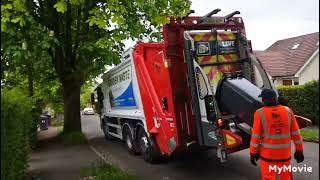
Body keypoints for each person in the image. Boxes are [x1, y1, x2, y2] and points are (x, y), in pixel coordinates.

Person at [250, 88, 304, 180]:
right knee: (286, 178)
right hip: (285, 156)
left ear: (264, 100)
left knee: (268, 178)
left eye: (262, 99)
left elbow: (256, 136)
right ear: (276, 98)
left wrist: (253, 153)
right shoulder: (288, 111)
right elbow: (296, 133)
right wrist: (299, 150)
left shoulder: (259, 113)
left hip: (268, 157)